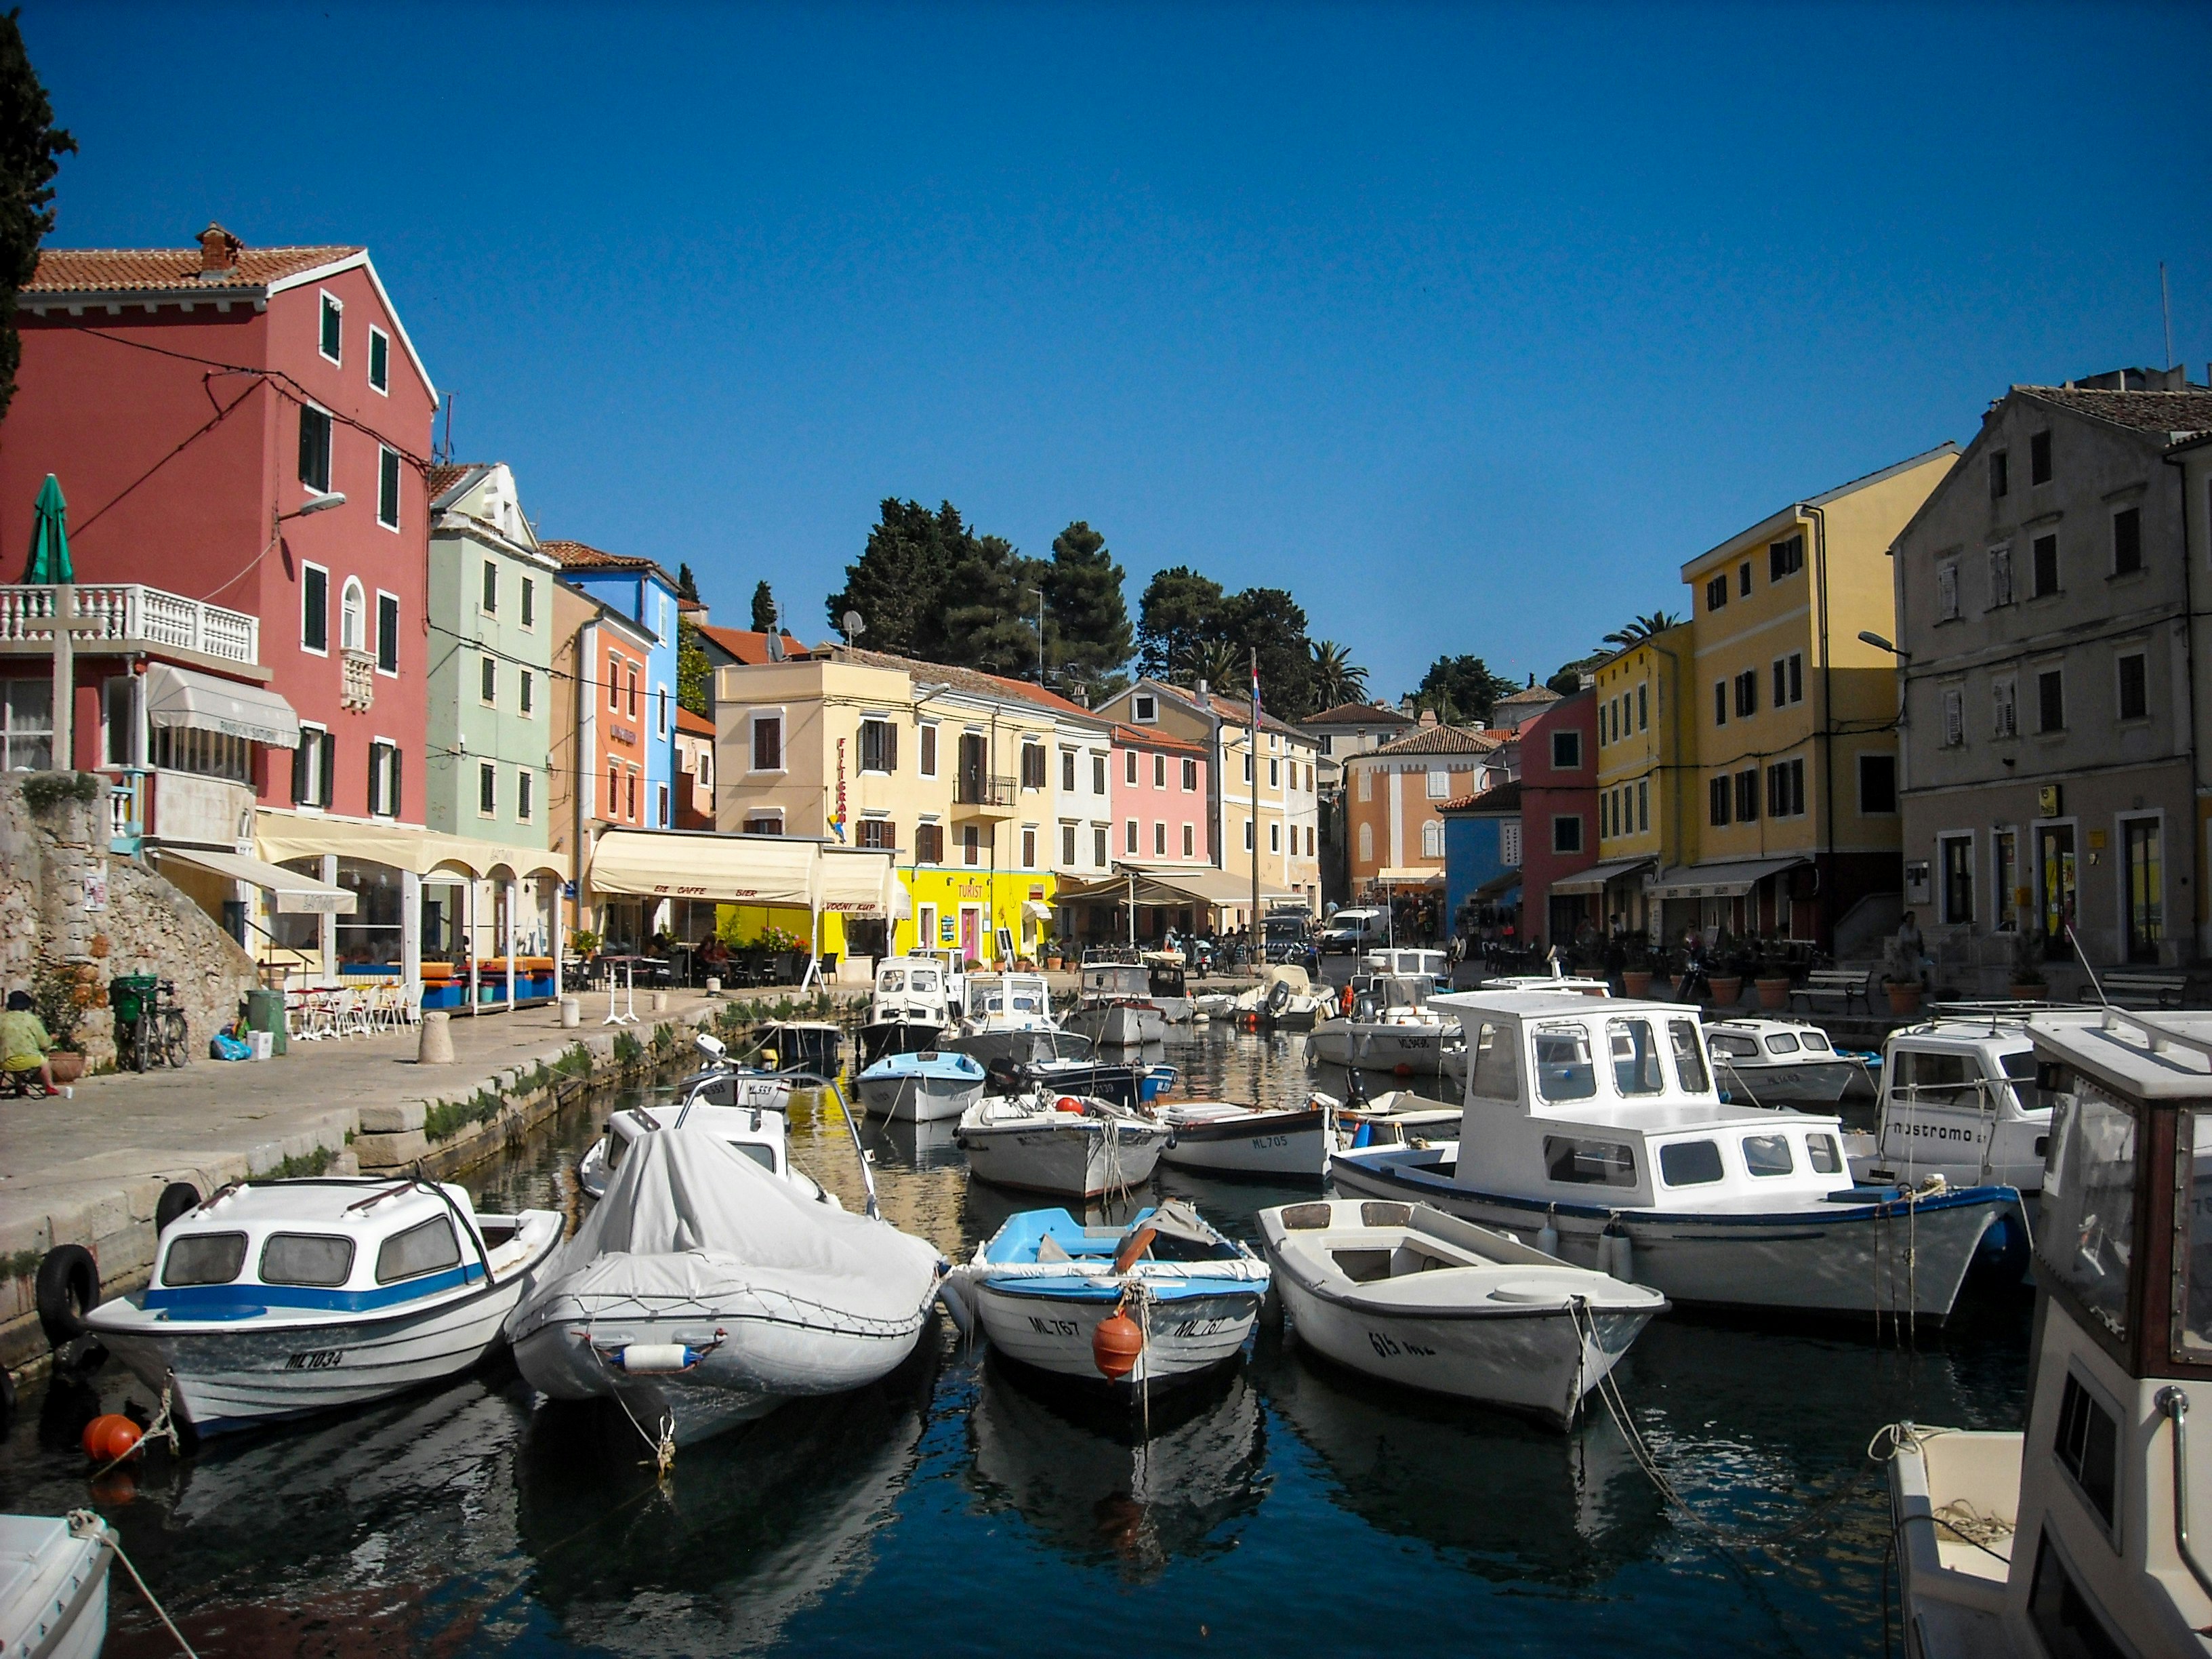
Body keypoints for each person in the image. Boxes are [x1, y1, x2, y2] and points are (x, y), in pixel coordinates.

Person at [2, 989, 58, 1097]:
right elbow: (45, 1044)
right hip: (29, 1060)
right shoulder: (31, 1020)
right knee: (43, 1061)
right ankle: (49, 1086)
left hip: (5, 1062)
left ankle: (20, 1086)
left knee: (13, 1054)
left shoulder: (2, 1019)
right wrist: (52, 1039)